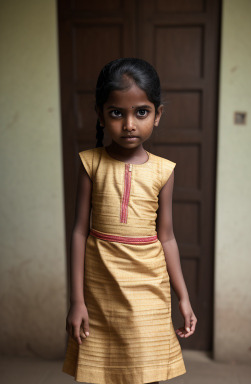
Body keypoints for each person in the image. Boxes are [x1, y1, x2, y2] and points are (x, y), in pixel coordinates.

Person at [62, 58, 197, 384]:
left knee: (145, 367)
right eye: (116, 113)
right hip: (101, 285)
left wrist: (183, 297)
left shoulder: (164, 170)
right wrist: (77, 301)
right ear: (100, 114)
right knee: (104, 370)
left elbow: (167, 237)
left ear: (158, 114)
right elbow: (80, 231)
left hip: (149, 284)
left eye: (141, 112)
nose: (129, 124)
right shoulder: (90, 163)